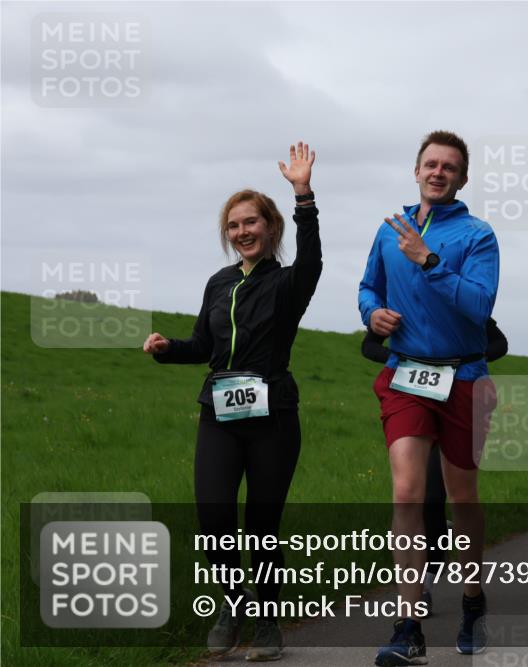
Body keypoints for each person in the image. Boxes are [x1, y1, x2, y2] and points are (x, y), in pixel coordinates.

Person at [143, 142, 321, 661]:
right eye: (233, 225)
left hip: (273, 416)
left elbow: (312, 258)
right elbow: (203, 346)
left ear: (270, 227)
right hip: (219, 412)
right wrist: (166, 349)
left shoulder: (289, 282)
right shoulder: (218, 284)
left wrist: (303, 194)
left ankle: (266, 622)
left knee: (262, 526)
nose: (242, 231)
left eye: (251, 222)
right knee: (214, 514)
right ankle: (232, 604)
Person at [358, 130, 499, 666]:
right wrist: (372, 314)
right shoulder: (388, 229)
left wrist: (429, 261)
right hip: (406, 376)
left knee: (462, 497)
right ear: (416, 171)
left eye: (449, 167)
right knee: (407, 491)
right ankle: (408, 625)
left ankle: (471, 600)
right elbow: (367, 287)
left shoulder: (478, 235)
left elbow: (480, 305)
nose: (438, 172)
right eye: (430, 164)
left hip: (463, 378)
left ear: (462, 178)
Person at [360, 319, 507, 615]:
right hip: (414, 397)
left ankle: (466, 589)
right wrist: (399, 359)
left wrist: (462, 360)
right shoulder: (401, 309)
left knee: (453, 496)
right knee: (420, 496)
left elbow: (500, 344)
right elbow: (369, 346)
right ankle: (421, 590)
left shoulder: (463, 304)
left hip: (458, 398)